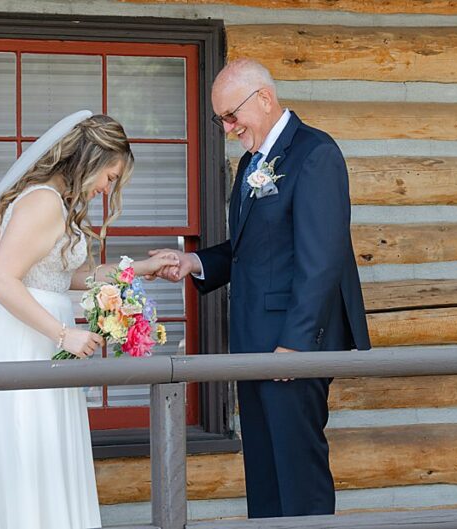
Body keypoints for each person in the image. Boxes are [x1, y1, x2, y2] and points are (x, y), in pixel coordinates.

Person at [0, 111, 179, 529]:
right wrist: (64, 334)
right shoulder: (43, 202)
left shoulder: (54, 202)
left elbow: (67, 277)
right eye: (110, 177)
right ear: (92, 159)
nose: (107, 189)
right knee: (26, 452)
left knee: (41, 455)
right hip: (24, 346)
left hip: (39, 343)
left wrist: (142, 268)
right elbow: (0, 280)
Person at [150, 59, 370, 518]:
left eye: (232, 116)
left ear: (264, 99)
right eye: (221, 120)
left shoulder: (315, 153)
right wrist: (194, 262)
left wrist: (295, 345)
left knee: (298, 475)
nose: (228, 128)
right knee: (265, 475)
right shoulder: (252, 163)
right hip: (253, 345)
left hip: (291, 346)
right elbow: (252, 249)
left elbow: (321, 259)